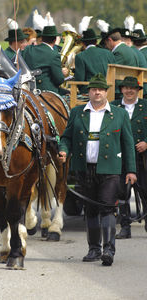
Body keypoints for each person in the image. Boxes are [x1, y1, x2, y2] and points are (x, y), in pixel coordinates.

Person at [58, 73, 136, 266]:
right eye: (94, 89)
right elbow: (67, 137)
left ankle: (109, 250)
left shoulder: (119, 114)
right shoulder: (77, 112)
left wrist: (131, 170)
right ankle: (94, 249)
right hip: (84, 169)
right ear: (89, 92)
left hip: (110, 170)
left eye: (101, 89)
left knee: (108, 208)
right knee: (91, 210)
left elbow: (128, 144)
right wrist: (63, 150)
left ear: (106, 92)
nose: (97, 93)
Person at [112, 76, 147, 238]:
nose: (129, 91)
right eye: (126, 88)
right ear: (121, 90)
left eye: (133, 88)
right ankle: (125, 227)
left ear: (138, 90)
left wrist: (146, 142)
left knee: (145, 191)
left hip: (142, 158)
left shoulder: (145, 106)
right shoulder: (113, 106)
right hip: (121, 158)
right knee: (122, 193)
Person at [21, 25, 68, 95]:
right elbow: (59, 80)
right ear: (55, 40)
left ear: (42, 38)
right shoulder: (54, 55)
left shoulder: (28, 49)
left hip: (28, 90)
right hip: (47, 93)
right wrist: (62, 74)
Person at [74, 28, 116, 95]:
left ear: (82, 43)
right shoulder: (109, 53)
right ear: (96, 42)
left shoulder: (80, 56)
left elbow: (79, 79)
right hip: (108, 90)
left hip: (89, 92)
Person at [102, 28, 139, 98]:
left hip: (120, 90)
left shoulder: (119, 52)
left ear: (110, 40)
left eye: (105, 43)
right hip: (129, 85)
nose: (106, 46)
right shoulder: (127, 49)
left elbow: (110, 72)